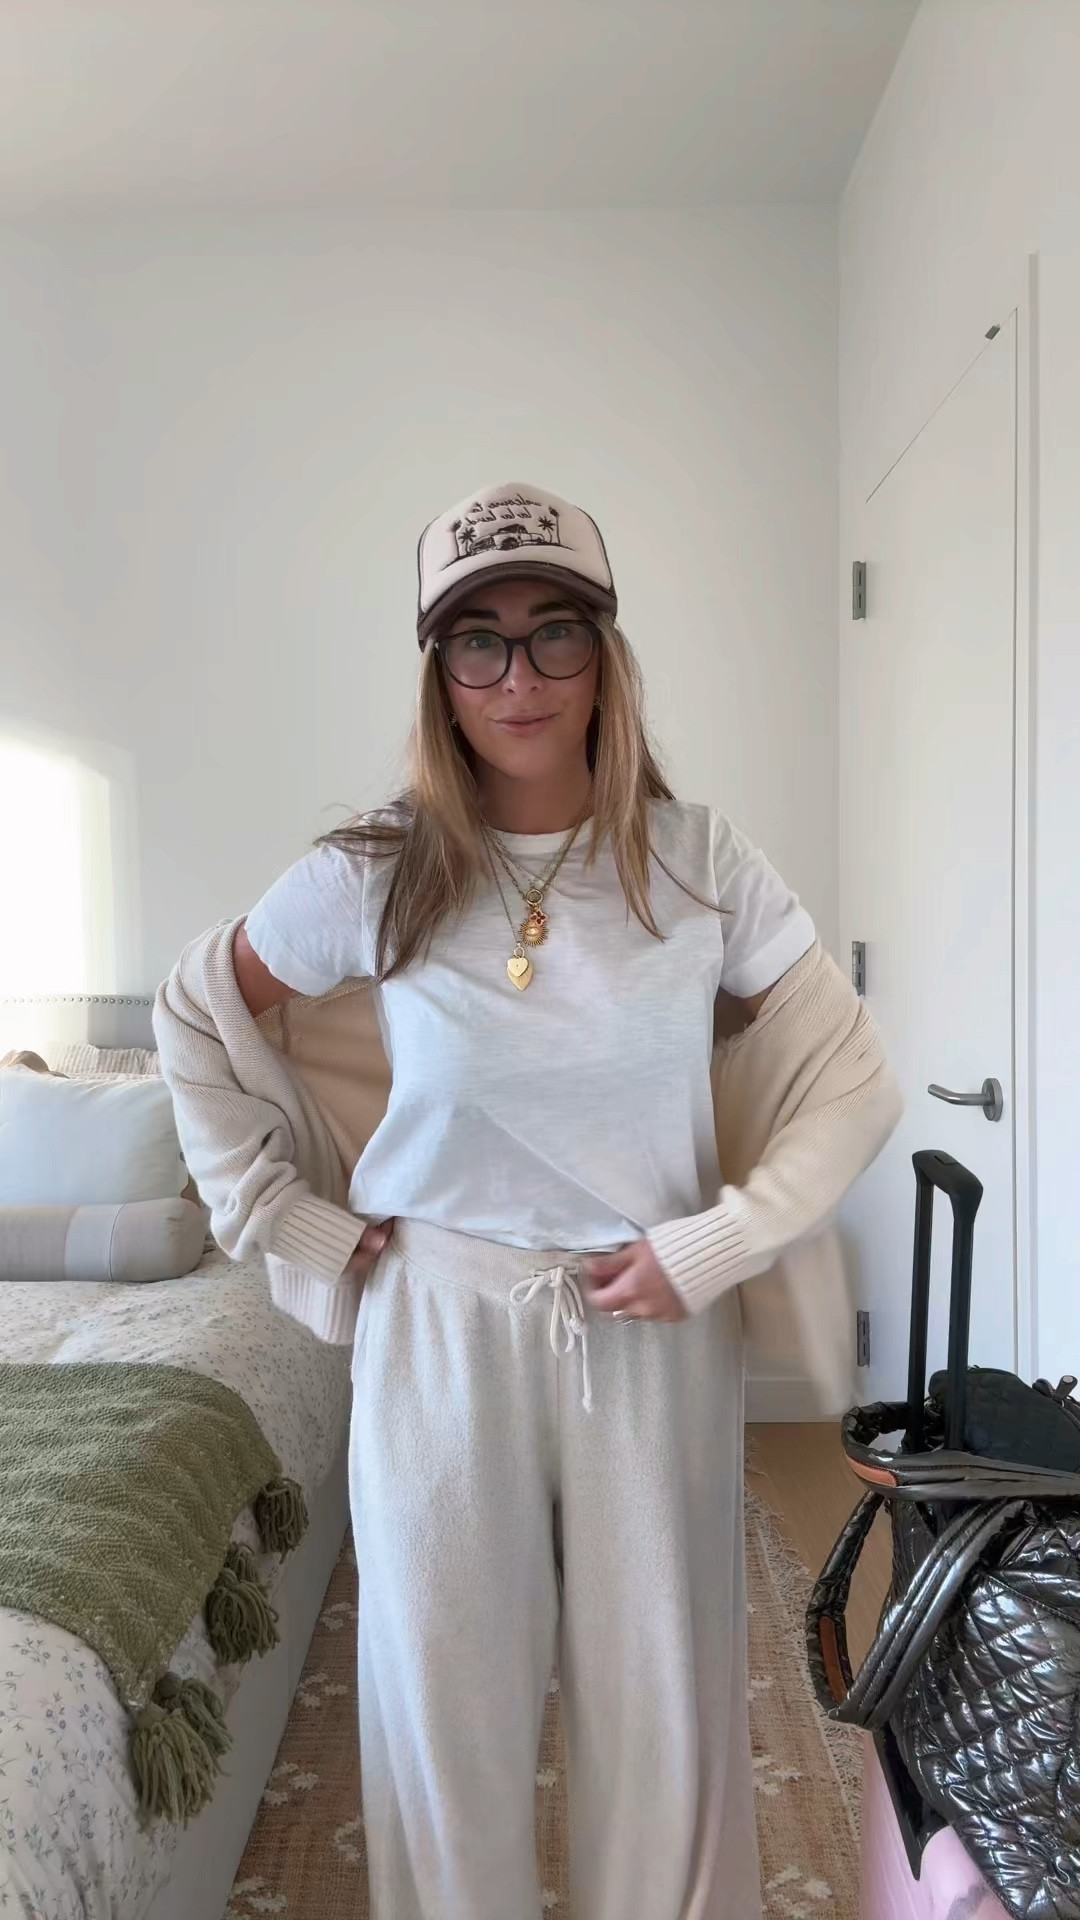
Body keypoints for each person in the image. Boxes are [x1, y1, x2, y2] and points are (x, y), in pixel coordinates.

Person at [156, 482, 901, 1920]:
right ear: (439, 673)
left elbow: (851, 1077)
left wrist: (721, 1240)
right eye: (478, 641)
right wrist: (286, 1219)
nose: (519, 677)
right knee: (448, 1715)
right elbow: (195, 1013)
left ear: (605, 656)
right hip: (437, 1324)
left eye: (555, 632)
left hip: (650, 1327)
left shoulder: (699, 863)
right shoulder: (375, 872)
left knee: (665, 1714)